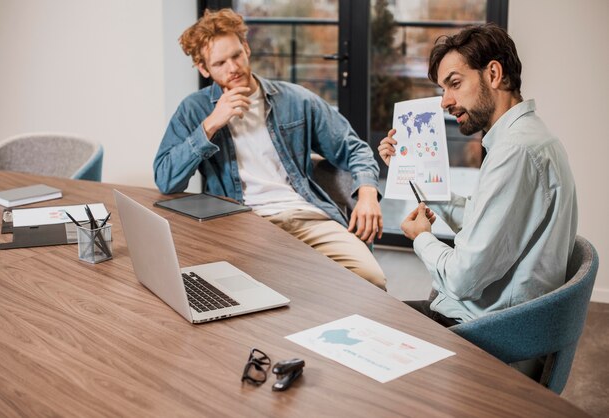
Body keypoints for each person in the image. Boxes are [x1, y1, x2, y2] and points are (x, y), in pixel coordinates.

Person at [154, 9, 386, 289]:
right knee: (246, 291)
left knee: (371, 280)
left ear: (247, 48)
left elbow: (354, 149)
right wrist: (211, 125)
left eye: (236, 55)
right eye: (220, 63)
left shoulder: (295, 100)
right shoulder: (195, 110)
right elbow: (166, 179)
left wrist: (368, 195)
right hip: (243, 223)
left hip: (306, 216)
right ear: (204, 69)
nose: (233, 68)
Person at [378, 23, 577, 326]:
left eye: (454, 84)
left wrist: (422, 239)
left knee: (370, 320)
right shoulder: (526, 138)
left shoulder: (515, 151)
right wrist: (409, 172)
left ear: (494, 74)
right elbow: (482, 219)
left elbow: (462, 279)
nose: (444, 101)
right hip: (490, 318)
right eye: (442, 90)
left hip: (485, 332)